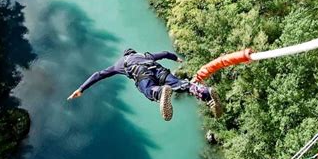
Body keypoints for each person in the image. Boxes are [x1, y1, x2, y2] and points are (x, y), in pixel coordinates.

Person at [67, 48, 222, 121]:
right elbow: (165, 53)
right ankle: (205, 93)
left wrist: (81, 89)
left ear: (125, 55)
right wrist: (176, 58)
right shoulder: (144, 55)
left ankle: (159, 93)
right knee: (182, 85)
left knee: (147, 89)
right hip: (159, 70)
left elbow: (98, 75)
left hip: (142, 74)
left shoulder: (120, 64)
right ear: (133, 52)